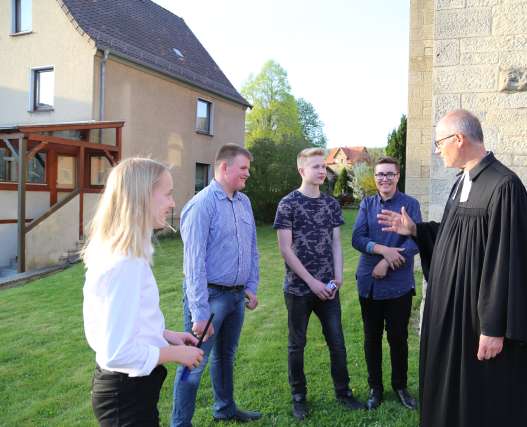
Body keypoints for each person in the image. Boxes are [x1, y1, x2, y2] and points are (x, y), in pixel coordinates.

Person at [378, 110, 527, 427]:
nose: (437, 151)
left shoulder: (503, 186)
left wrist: (494, 327)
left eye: (440, 143)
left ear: (459, 139)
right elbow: (457, 237)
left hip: (476, 323)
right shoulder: (462, 181)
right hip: (451, 318)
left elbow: (507, 260)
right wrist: (417, 230)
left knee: (479, 401)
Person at [83, 158, 205, 427]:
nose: (173, 203)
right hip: (125, 396)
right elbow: (117, 351)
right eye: (168, 194)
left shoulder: (126, 254)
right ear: (141, 197)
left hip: (130, 391)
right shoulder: (124, 262)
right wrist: (175, 354)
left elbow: (128, 321)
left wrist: (167, 336)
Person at [171, 144, 261, 425]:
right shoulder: (201, 206)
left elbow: (252, 248)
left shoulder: (244, 203)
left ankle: (225, 408)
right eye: (243, 169)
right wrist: (199, 313)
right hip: (209, 299)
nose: (248, 174)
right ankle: (179, 423)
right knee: (192, 364)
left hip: (236, 298)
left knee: (225, 357)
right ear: (224, 168)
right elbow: (193, 264)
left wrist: (251, 285)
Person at [273, 147, 365, 421]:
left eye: (323, 166)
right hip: (299, 289)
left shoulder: (330, 204)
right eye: (315, 166)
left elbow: (337, 241)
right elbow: (286, 250)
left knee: (337, 342)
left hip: (329, 289)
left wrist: (338, 275)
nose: (322, 170)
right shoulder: (287, 204)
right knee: (296, 344)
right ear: (302, 170)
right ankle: (299, 397)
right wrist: (312, 283)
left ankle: (343, 392)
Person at [351, 156, 422, 411]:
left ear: (398, 176)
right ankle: (375, 388)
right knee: (371, 338)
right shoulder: (367, 204)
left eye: (389, 174)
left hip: (399, 285)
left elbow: (415, 242)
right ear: (375, 177)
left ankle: (400, 386)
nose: (384, 179)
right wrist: (382, 250)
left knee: (398, 337)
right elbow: (357, 238)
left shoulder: (410, 205)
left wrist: (389, 261)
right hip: (369, 284)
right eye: (380, 174)